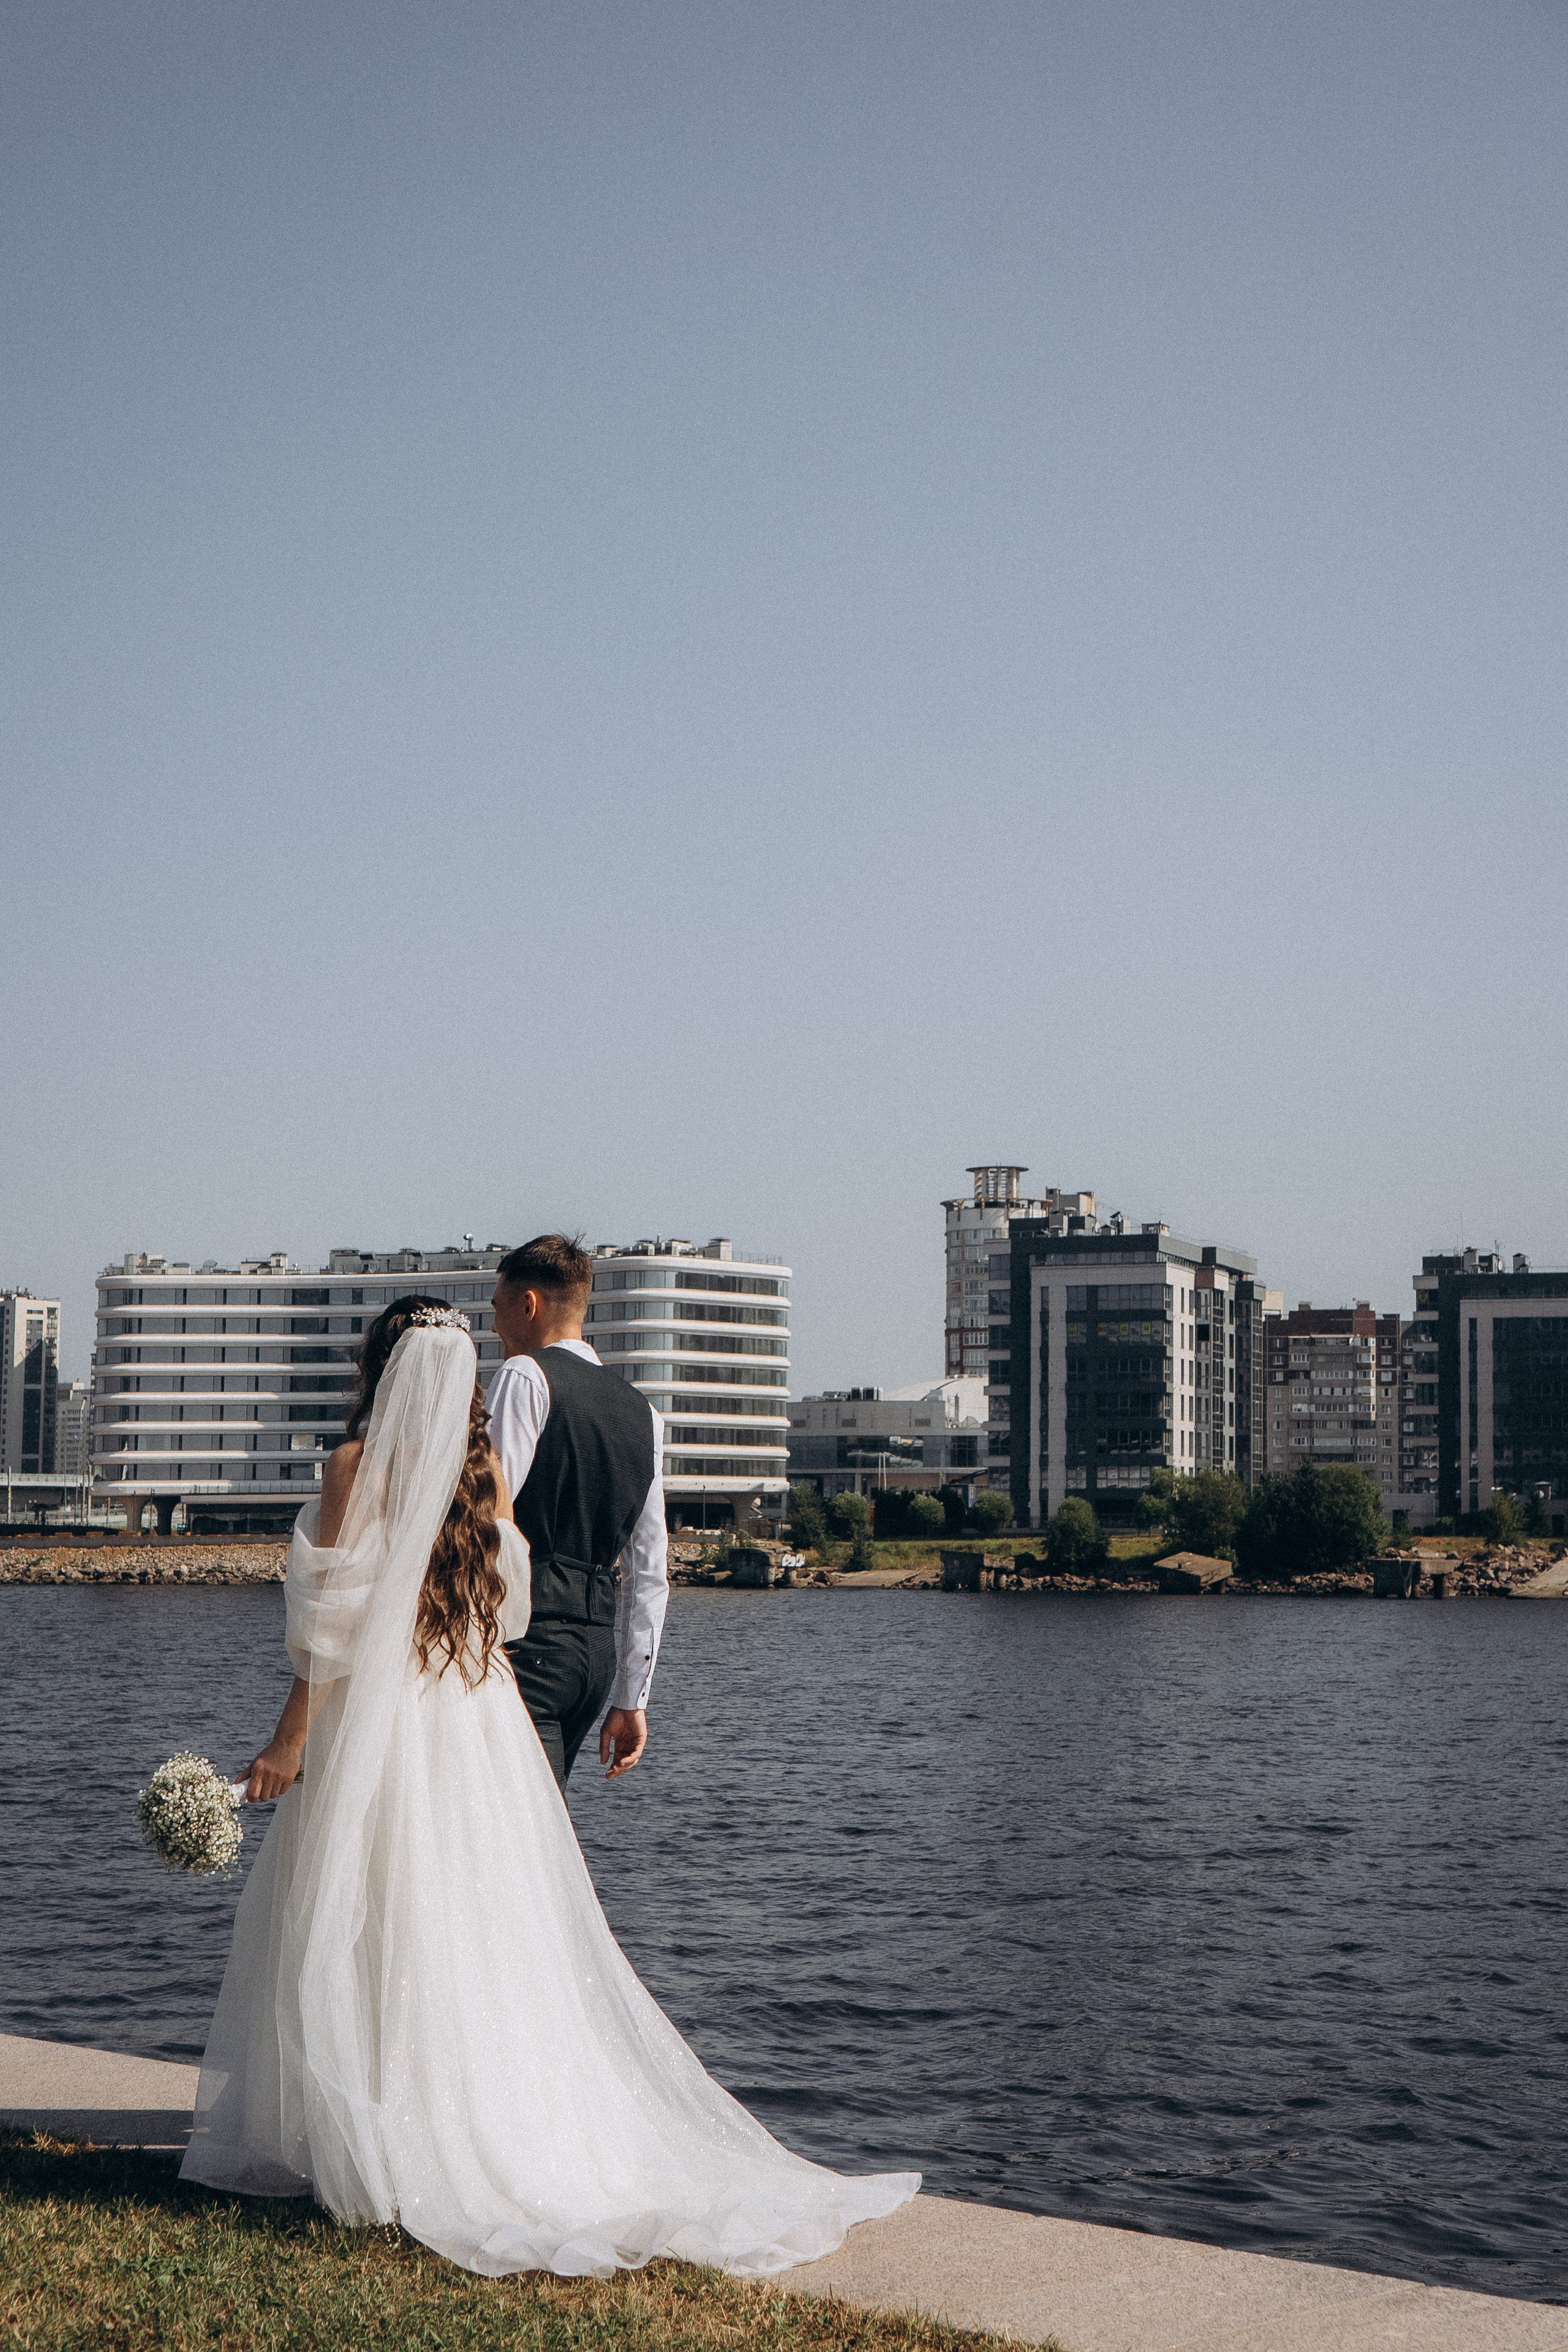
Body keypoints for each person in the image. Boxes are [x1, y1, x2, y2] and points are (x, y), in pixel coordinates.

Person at [179, 1297, 918, 2277]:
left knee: (367, 1908)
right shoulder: (480, 1481)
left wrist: (286, 1743)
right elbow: (508, 1609)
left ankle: (378, 2137)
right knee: (475, 1923)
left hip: (391, 1716)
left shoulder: (356, 1468)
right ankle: (456, 2121)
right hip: (475, 1711)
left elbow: (330, 1627)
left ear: (378, 1370)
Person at [485, 1235, 665, 1792]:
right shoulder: (645, 1413)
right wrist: (632, 1698)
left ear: (529, 1304)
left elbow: (487, 1517)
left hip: (527, 1640)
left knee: (511, 1830)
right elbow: (649, 1568)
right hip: (592, 1657)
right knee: (539, 1825)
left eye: (495, 1309)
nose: (493, 1327)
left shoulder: (524, 1377)